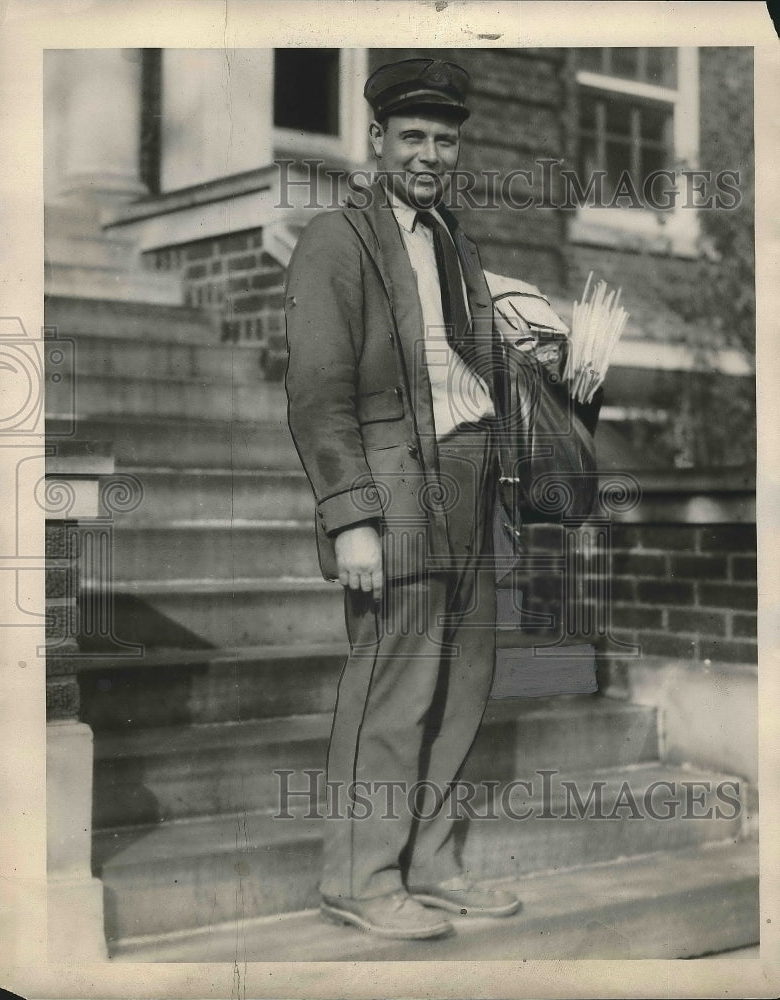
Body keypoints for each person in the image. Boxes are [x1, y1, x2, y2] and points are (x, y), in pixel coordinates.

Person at [284, 57, 520, 940]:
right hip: (395, 490)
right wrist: (351, 519)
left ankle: (431, 863)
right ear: (376, 141)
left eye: (444, 139)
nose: (429, 153)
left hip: (471, 480)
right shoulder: (335, 240)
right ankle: (359, 874)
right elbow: (316, 393)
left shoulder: (453, 240)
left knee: (463, 685)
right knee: (395, 684)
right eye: (412, 136)